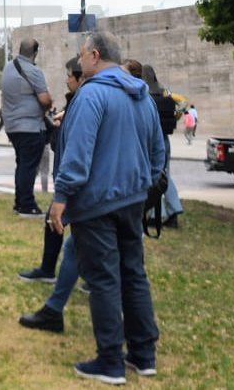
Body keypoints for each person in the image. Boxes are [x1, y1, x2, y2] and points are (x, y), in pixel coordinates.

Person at [49, 31, 165, 384]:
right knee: (133, 274)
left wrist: (61, 197)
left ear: (95, 55)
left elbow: (77, 154)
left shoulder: (91, 95)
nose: (79, 60)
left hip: (96, 203)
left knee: (103, 279)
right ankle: (143, 355)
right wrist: (144, 185)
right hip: (132, 200)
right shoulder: (141, 96)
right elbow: (158, 152)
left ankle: (110, 360)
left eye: (82, 54)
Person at [18, 56, 84, 333]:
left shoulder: (85, 101)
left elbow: (77, 152)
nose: (67, 80)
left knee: (76, 244)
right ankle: (55, 305)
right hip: (86, 189)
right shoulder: (79, 102)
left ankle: (55, 304)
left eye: (70, 75)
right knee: (75, 246)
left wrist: (63, 193)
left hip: (81, 189)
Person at [1, 39, 52, 217]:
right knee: (29, 167)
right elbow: (45, 99)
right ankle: (27, 205)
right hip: (30, 127)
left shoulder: (8, 68)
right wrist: (49, 104)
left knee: (22, 165)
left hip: (12, 126)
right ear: (35, 53)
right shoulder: (34, 71)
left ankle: (19, 202)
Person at [142, 64, 183, 227]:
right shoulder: (164, 92)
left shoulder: (144, 94)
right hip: (165, 139)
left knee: (153, 176)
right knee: (165, 175)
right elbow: (183, 103)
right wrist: (177, 116)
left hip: (150, 140)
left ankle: (155, 215)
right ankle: (174, 209)